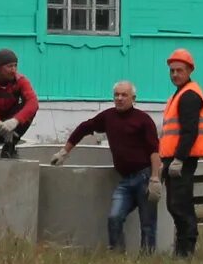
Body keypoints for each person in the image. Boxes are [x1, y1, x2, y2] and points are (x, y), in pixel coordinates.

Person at [63, 79, 162, 251]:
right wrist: (64, 151)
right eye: (116, 95)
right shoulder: (108, 117)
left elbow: (154, 150)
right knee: (114, 217)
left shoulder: (143, 120)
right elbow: (84, 127)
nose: (120, 98)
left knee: (147, 222)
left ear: (133, 98)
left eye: (124, 95)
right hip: (125, 180)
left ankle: (147, 261)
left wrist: (155, 178)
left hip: (144, 176)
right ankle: (117, 255)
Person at [160, 48, 203, 259]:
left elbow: (190, 131)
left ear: (189, 70)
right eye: (172, 71)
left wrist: (179, 160)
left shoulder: (189, 95)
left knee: (180, 206)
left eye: (179, 70)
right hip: (174, 159)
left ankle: (186, 251)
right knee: (175, 205)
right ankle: (182, 250)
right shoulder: (180, 93)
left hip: (182, 160)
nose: (174, 74)